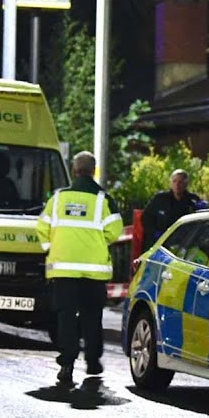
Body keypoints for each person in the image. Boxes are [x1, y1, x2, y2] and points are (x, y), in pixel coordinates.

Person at [36, 152, 124, 384]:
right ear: (93, 171)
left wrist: (51, 248)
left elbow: (42, 227)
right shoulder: (103, 200)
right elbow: (115, 231)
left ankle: (67, 363)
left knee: (66, 317)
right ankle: (93, 360)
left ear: (74, 170)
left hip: (63, 270)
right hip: (93, 272)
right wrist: (96, 242)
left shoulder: (58, 198)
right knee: (92, 316)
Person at [140, 169, 203, 247]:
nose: (177, 185)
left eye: (180, 182)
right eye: (174, 181)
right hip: (160, 243)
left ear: (186, 184)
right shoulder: (160, 198)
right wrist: (154, 233)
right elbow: (145, 217)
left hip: (184, 243)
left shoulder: (192, 200)